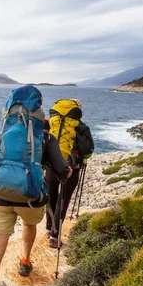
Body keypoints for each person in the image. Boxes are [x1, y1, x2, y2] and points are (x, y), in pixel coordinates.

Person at [0, 86, 71, 286]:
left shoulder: (5, 131)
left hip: (0, 198)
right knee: (30, 224)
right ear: (38, 110)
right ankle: (25, 261)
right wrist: (65, 172)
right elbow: (61, 171)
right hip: (30, 198)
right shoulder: (46, 137)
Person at [45, 99, 94, 248]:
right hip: (72, 168)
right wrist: (79, 157)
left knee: (51, 197)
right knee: (63, 200)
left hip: (51, 166)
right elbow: (88, 151)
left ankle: (48, 229)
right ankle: (54, 236)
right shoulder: (80, 127)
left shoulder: (51, 123)